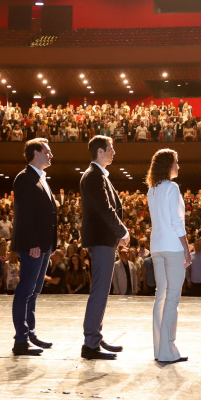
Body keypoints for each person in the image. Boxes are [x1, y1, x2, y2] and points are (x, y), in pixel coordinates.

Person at [79, 135, 130, 360]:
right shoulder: (93, 176)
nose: (113, 152)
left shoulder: (98, 175)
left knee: (101, 291)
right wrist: (122, 231)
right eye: (110, 148)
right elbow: (104, 208)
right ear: (100, 151)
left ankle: (95, 338)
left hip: (103, 239)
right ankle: (90, 344)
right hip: (100, 240)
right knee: (99, 292)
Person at [10, 139, 58, 356]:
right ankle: (21, 339)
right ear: (35, 153)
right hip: (33, 245)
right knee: (26, 290)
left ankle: (30, 333)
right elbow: (25, 213)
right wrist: (33, 243)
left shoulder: (40, 178)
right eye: (47, 151)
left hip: (43, 245)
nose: (51, 155)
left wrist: (51, 243)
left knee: (34, 291)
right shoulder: (25, 178)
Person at [146, 149, 191, 363]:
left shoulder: (152, 189)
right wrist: (186, 248)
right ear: (168, 165)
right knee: (172, 298)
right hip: (173, 247)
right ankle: (168, 350)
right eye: (176, 162)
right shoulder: (172, 188)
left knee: (161, 298)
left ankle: (159, 350)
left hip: (156, 247)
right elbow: (177, 221)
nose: (178, 166)